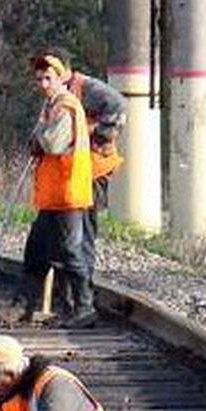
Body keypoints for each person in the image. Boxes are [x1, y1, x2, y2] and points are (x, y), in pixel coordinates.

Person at [42, 47, 127, 307]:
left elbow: (117, 105)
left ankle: (83, 298)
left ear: (64, 70)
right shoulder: (58, 93)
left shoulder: (87, 88)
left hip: (92, 170)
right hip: (73, 174)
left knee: (83, 235)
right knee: (66, 237)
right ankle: (70, 297)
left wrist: (93, 135)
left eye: (50, 73)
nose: (44, 81)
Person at [18, 52, 96, 328]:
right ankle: (28, 306)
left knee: (69, 253)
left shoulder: (65, 107)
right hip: (53, 196)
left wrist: (38, 134)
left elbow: (51, 145)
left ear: (61, 78)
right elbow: (37, 142)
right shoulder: (51, 106)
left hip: (67, 195)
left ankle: (83, 309)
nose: (42, 83)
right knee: (37, 250)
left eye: (47, 78)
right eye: (39, 78)